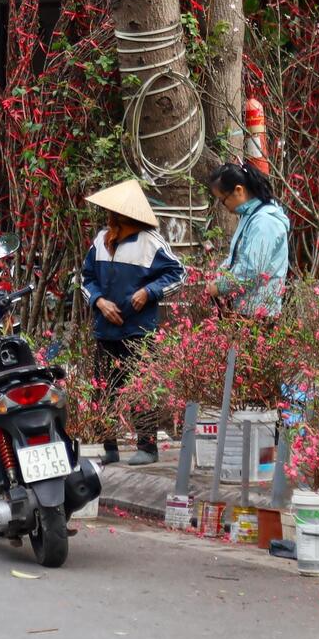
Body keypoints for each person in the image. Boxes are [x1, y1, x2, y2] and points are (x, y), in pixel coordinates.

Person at [80, 179, 184, 466]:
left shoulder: (151, 242)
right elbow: (85, 279)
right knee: (104, 389)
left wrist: (148, 292)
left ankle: (148, 447)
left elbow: (178, 275)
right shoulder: (100, 241)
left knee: (141, 386)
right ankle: (108, 446)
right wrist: (99, 301)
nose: (109, 217)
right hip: (106, 329)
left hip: (139, 331)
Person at [209, 163, 290, 316]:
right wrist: (219, 275)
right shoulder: (250, 217)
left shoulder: (265, 222)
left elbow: (251, 270)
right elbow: (237, 258)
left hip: (258, 313)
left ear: (238, 190)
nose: (224, 206)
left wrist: (220, 286)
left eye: (223, 200)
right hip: (245, 309)